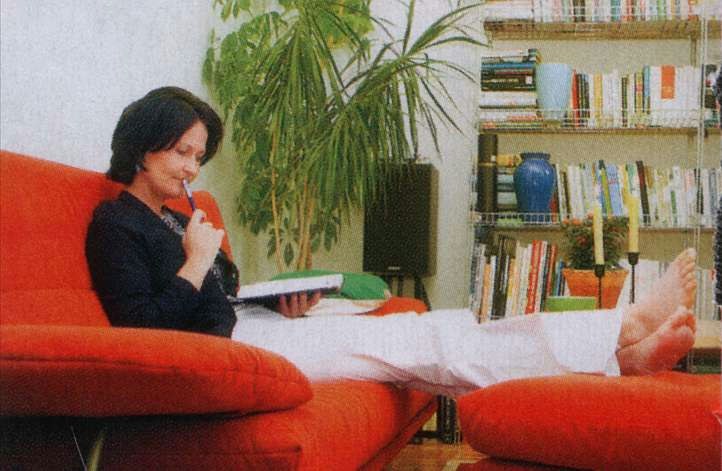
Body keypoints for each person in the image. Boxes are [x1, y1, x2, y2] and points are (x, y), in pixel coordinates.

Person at [86, 87, 698, 398]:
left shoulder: (178, 217)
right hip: (228, 352)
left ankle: (615, 355)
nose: (192, 168)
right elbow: (141, 330)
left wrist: (277, 303)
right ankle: (616, 335)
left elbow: (218, 299)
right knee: (423, 343)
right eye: (182, 152)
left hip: (257, 329)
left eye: (198, 156)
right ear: (142, 147)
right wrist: (196, 264)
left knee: (428, 332)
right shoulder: (116, 224)